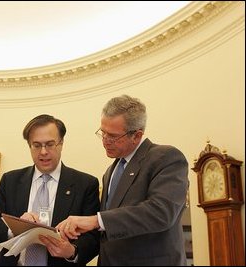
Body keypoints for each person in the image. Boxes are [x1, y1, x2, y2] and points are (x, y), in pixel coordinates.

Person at [56, 95, 189, 266]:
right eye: (102, 132)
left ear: (137, 135)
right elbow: (109, 230)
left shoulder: (166, 158)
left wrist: (96, 220)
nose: (105, 141)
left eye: (112, 136)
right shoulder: (110, 171)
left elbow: (161, 212)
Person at [0, 114, 100, 266]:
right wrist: (16, 229)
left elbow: (93, 238)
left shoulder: (85, 184)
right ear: (29, 146)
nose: (43, 152)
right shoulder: (10, 180)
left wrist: (72, 251)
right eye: (37, 145)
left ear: (61, 143)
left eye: (50, 144)